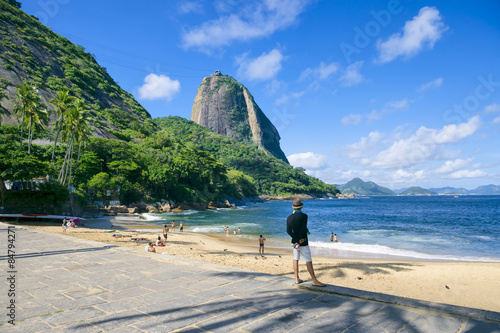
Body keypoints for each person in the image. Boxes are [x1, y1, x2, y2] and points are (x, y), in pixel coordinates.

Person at [286, 198, 325, 287]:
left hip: (295, 243)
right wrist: (300, 240)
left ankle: (297, 279)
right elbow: (303, 229)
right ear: (301, 207)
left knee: (295, 259)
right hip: (303, 241)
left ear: (294, 207)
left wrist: (296, 240)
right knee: (308, 260)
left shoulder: (289, 217)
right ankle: (314, 280)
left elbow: (288, 231)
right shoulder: (304, 216)